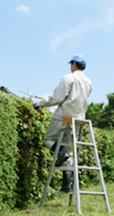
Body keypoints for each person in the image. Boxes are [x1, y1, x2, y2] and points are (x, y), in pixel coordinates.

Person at [33, 54, 93, 192]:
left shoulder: (69, 78)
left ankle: (61, 152)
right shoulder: (89, 82)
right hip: (79, 118)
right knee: (70, 152)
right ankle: (67, 186)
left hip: (64, 116)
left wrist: (40, 104)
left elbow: (57, 98)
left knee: (48, 139)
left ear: (73, 64)